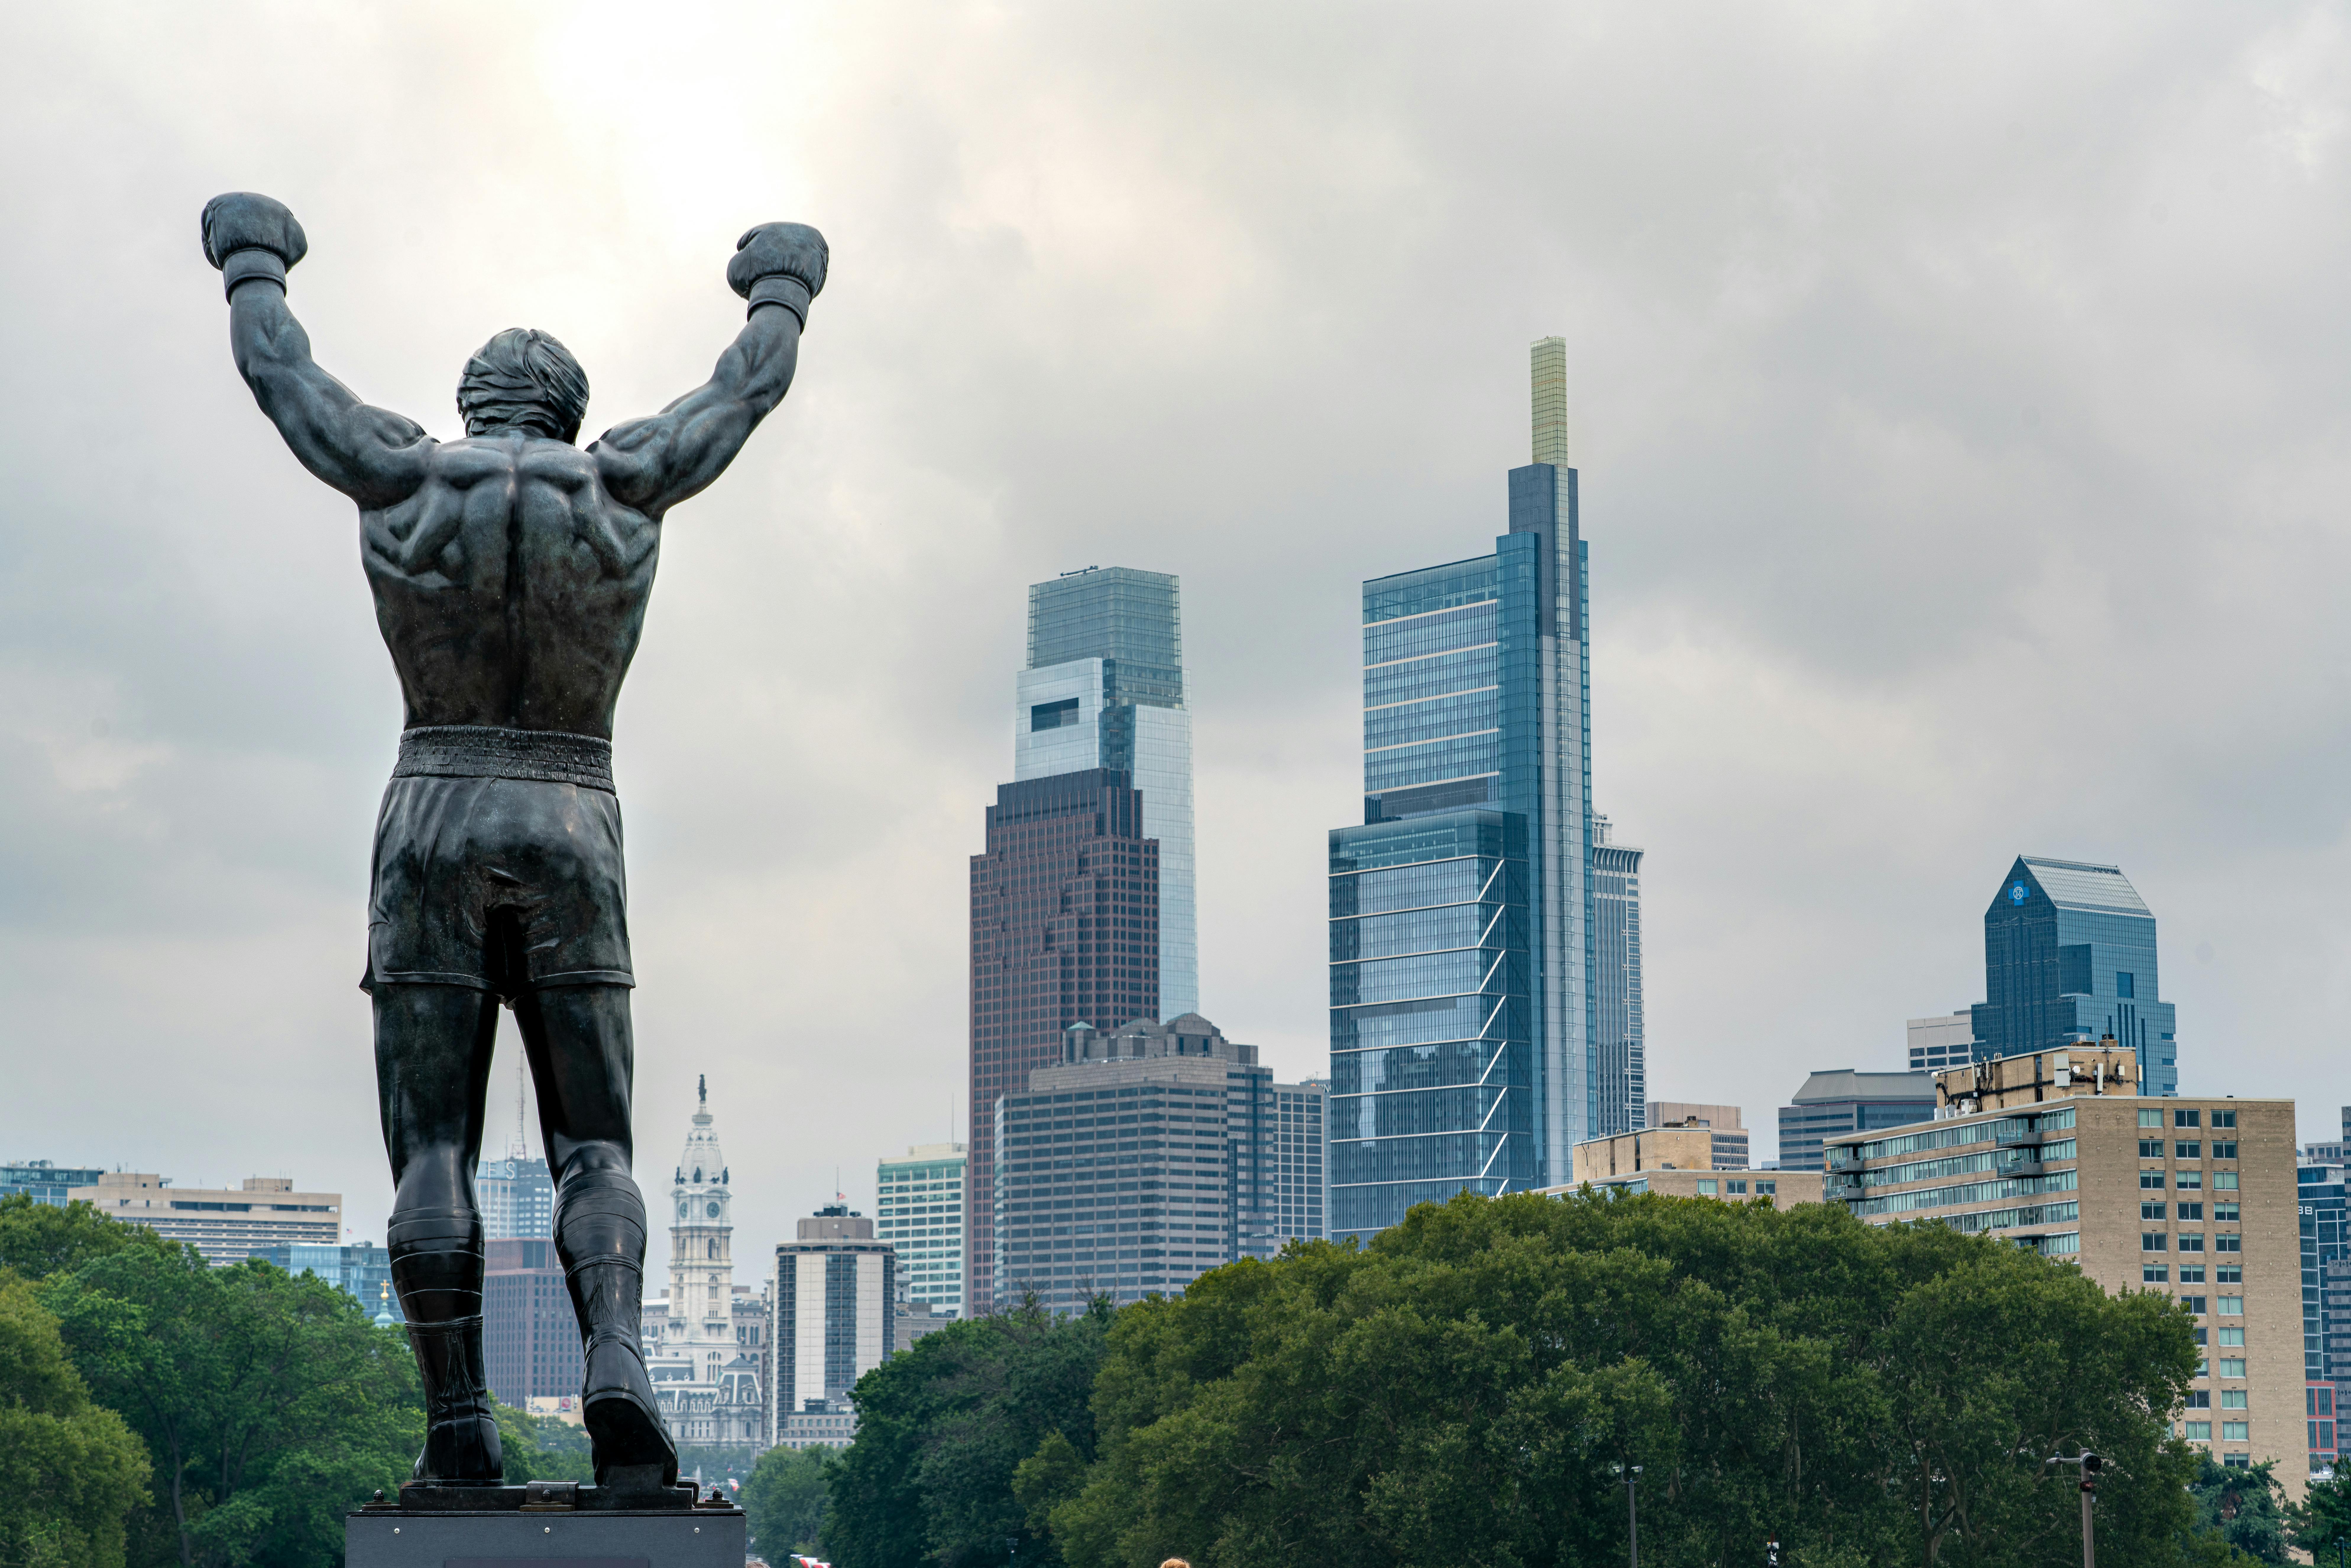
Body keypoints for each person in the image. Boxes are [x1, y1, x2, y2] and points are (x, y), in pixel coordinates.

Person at [200, 192, 827, 1491]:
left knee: (431, 1148)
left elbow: (279, 371)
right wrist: (781, 289)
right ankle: (616, 1361)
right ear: (570, 412)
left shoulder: (405, 475)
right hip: (572, 816)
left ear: (475, 401)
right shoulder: (623, 485)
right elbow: (744, 392)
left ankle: (458, 1431)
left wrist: (252, 255)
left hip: (430, 805)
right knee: (592, 1146)